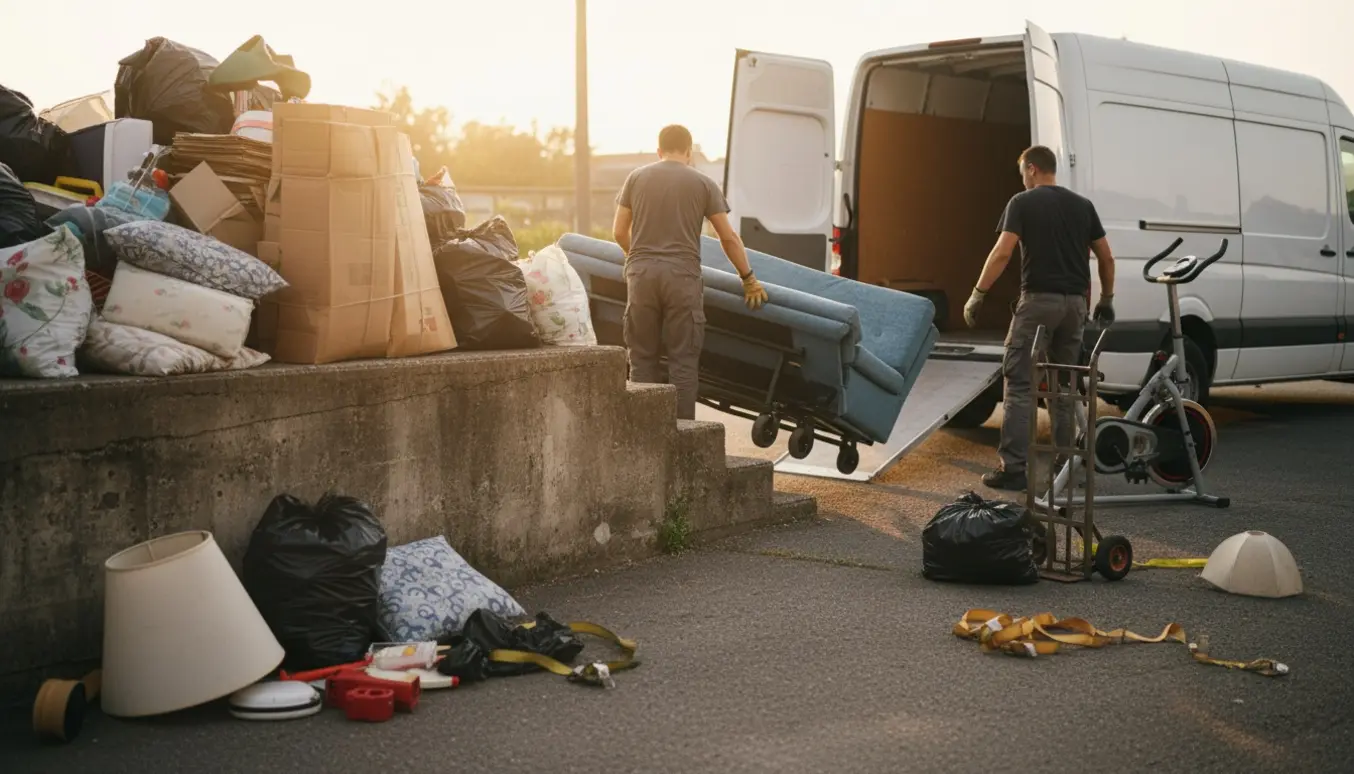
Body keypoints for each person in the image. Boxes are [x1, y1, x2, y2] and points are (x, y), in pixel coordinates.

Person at [962, 145, 1117, 491]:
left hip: (1037, 304)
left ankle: (1014, 468)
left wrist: (978, 293)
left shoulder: (1022, 202)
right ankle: (1064, 467)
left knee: (1018, 384)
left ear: (1032, 169)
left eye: (1022, 173)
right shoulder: (1083, 206)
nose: (1023, 179)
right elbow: (1106, 257)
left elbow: (1002, 252)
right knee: (1064, 386)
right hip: (1075, 306)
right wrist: (1106, 299)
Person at [612, 124, 769, 420]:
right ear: (689, 151)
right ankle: (682, 436)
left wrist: (638, 260)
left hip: (641, 277)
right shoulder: (703, 183)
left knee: (641, 358)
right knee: (682, 361)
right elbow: (727, 237)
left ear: (658, 151)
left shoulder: (636, 178)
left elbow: (619, 231)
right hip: (682, 278)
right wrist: (748, 279)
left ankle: (644, 432)